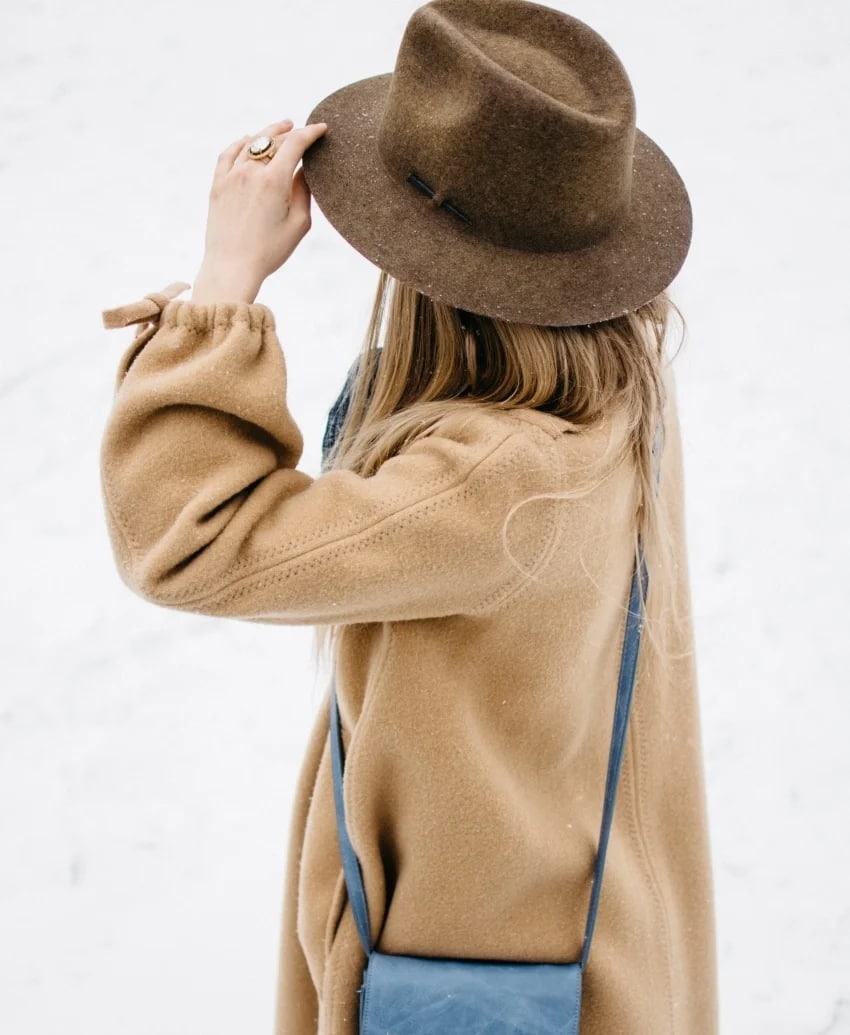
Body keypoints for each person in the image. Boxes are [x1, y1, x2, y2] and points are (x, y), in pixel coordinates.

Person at [99, 1, 717, 1032]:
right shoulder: (615, 394)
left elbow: (186, 540)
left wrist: (224, 285)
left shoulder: (495, 480)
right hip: (596, 929)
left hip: (460, 971)